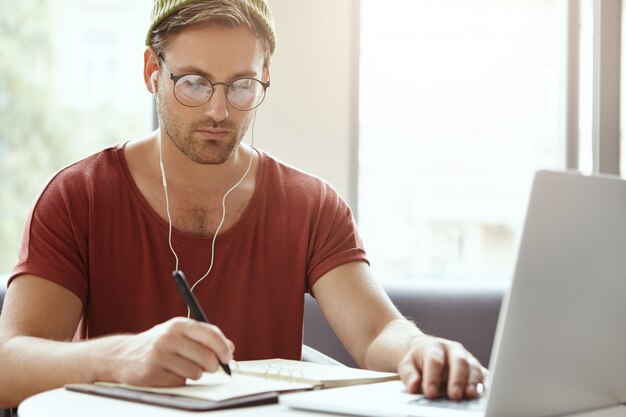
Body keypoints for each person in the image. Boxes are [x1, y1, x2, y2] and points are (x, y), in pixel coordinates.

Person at [0, 0, 486, 408]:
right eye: (193, 82)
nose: (219, 109)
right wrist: (118, 358)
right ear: (152, 72)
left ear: (265, 77)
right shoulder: (79, 195)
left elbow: (378, 331)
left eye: (241, 86)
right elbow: (9, 362)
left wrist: (421, 349)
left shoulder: (311, 205)